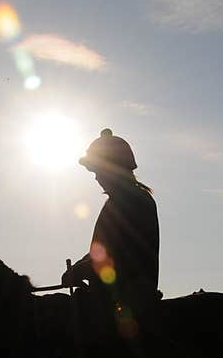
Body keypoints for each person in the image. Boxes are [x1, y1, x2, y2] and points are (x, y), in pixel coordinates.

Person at [62, 129, 161, 342]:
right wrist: (81, 266)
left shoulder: (131, 201)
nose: (96, 177)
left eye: (98, 170)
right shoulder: (122, 201)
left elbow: (119, 254)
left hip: (130, 297)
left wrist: (82, 270)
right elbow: (101, 251)